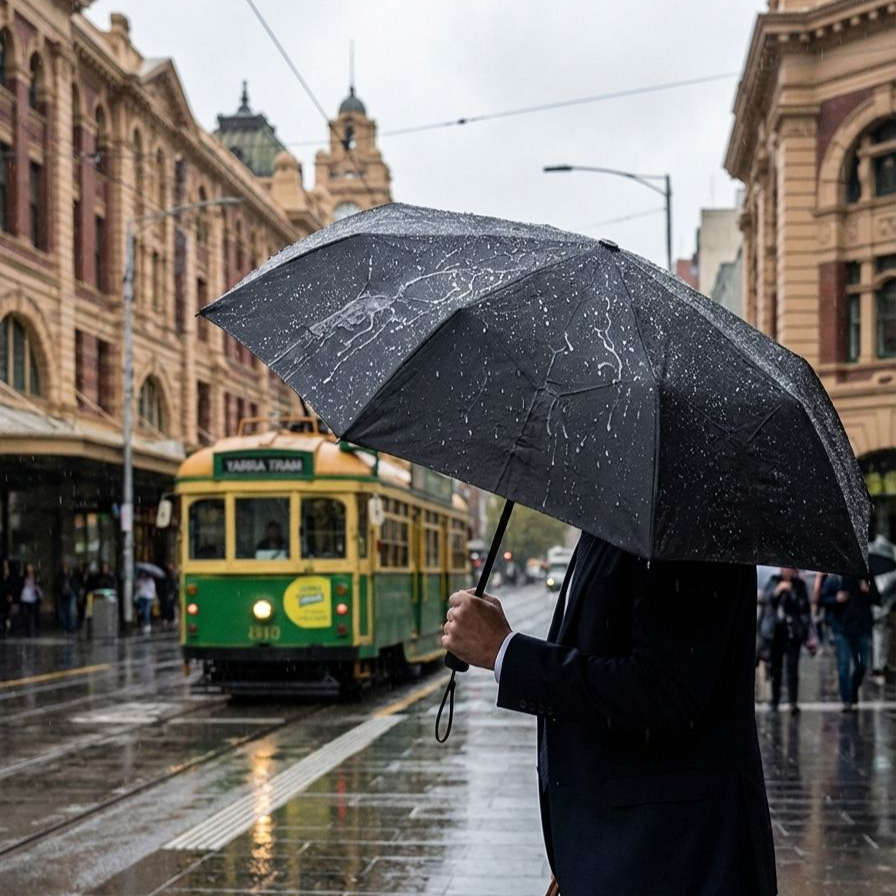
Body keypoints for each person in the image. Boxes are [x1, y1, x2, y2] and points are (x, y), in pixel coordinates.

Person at [443, 532, 777, 896]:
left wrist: (506, 651)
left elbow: (664, 691)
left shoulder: (679, 531)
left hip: (670, 858)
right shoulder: (614, 525)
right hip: (622, 852)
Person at [758, 568, 815, 712]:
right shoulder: (774, 581)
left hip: (793, 633)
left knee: (792, 668)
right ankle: (775, 700)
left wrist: (792, 592)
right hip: (776, 632)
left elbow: (804, 608)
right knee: (775, 668)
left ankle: (793, 701)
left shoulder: (799, 585)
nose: (787, 572)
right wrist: (778, 590)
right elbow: (766, 599)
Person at [822, 574, 877, 711]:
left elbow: (877, 598)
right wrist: (836, 598)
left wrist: (867, 590)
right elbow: (823, 599)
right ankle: (846, 700)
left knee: (862, 665)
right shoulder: (835, 578)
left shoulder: (866, 576)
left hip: (861, 628)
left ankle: (852, 691)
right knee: (843, 665)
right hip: (842, 628)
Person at [56, 561, 81, 634]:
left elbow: (75, 585)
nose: (65, 569)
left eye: (66, 568)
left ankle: (71, 628)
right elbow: (56, 585)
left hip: (71, 595)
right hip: (62, 595)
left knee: (70, 612)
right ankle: (65, 627)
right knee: (62, 614)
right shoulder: (59, 576)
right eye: (64, 568)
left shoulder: (72, 576)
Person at [19, 563, 43, 637]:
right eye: (28, 568)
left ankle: (36, 630)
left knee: (34, 615)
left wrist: (40, 593)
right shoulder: (23, 577)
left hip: (33, 599)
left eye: (30, 568)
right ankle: (28, 631)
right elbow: (19, 586)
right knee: (25, 615)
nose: (29, 570)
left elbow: (39, 587)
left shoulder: (36, 577)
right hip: (24, 598)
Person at [134, 570, 156, 635]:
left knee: (146, 611)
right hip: (141, 597)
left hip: (147, 598)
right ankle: (143, 623)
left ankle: (147, 624)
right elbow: (136, 585)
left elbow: (152, 589)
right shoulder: (141, 580)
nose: (143, 575)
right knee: (142, 611)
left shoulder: (150, 581)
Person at [0, 558, 18, 637]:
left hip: (8, 600)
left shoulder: (11, 577)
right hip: (1, 598)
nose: (5, 568)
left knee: (7, 616)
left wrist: (11, 596)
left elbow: (14, 588)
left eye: (6, 566)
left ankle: (6, 631)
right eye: (4, 566)